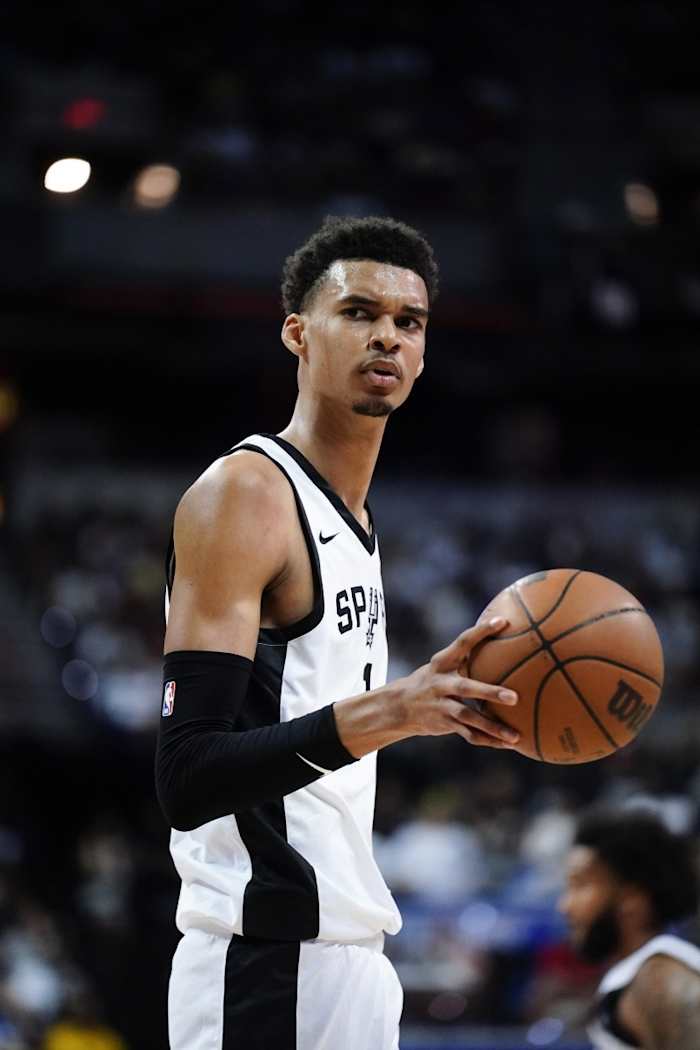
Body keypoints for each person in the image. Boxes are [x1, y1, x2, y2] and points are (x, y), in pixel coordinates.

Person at [155, 215, 521, 1050]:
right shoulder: (245, 494)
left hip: (346, 958)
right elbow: (186, 774)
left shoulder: (351, 517)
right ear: (298, 332)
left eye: (409, 322)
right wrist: (396, 711)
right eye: (358, 312)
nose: (387, 336)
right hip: (262, 962)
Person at [558, 807, 700, 1049]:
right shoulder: (641, 974)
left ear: (632, 897)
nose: (565, 906)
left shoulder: (659, 979)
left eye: (580, 885)